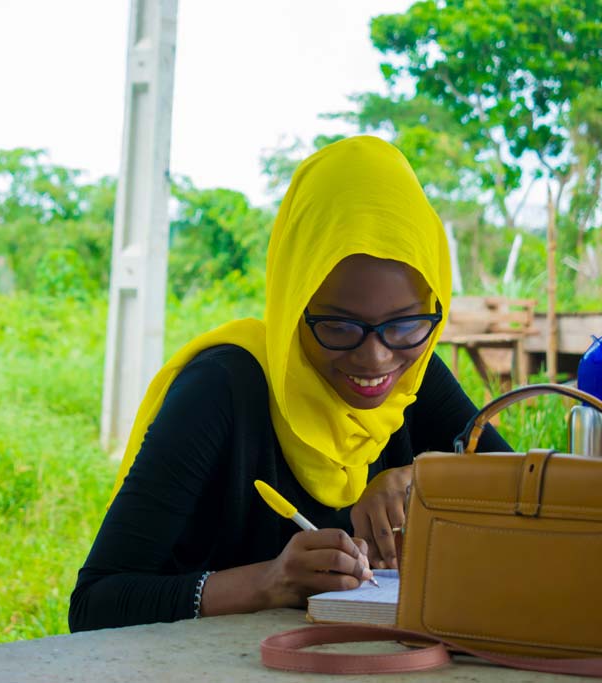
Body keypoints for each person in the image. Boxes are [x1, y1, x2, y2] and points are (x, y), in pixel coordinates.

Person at [68, 135, 510, 633]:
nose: (376, 357)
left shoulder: (416, 378)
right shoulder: (220, 390)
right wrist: (268, 583)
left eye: (405, 326)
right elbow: (95, 604)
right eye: (339, 326)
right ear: (293, 305)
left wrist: (428, 479)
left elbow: (530, 498)